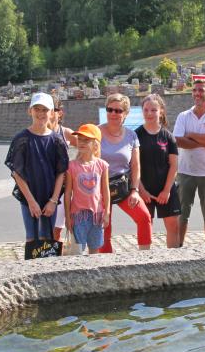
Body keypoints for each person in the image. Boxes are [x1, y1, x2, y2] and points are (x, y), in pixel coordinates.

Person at [5, 92, 70, 249]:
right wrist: (31, 201)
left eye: (45, 110)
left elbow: (61, 172)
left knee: (47, 236)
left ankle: (47, 271)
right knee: (31, 237)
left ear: (51, 113)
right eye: (37, 109)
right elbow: (17, 173)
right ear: (30, 111)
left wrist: (53, 200)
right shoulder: (22, 139)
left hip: (50, 196)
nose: (41, 113)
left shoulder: (56, 140)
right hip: (29, 196)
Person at [98, 94, 152, 252]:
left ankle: (145, 258)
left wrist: (135, 191)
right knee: (104, 227)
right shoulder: (96, 132)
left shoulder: (131, 135)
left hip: (123, 186)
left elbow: (135, 165)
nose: (113, 113)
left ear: (126, 113)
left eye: (118, 110)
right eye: (110, 109)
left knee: (144, 217)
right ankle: (105, 264)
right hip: (101, 188)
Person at [174, 79, 205, 246]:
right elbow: (179, 141)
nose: (197, 94)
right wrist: (204, 141)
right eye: (194, 90)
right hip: (186, 172)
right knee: (181, 213)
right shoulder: (183, 116)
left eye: (201, 90)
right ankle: (178, 248)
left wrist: (191, 135)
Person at [136, 94, 181, 248]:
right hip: (144, 190)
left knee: (173, 226)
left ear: (161, 111)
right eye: (146, 110)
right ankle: (146, 262)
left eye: (153, 110)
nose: (149, 113)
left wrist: (167, 190)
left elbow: (174, 165)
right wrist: (141, 190)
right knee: (145, 226)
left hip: (166, 189)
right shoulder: (135, 135)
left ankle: (173, 263)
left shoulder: (168, 136)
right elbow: (133, 167)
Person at [64, 124, 110, 254]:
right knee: (77, 251)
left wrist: (107, 213)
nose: (81, 143)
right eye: (80, 139)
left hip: (97, 215)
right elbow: (68, 193)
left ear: (95, 144)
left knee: (94, 249)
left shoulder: (102, 165)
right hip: (78, 216)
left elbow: (105, 191)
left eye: (86, 140)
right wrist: (67, 217)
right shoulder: (71, 166)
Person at [50, 95, 77, 242]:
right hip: (45, 186)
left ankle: (57, 258)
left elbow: (87, 148)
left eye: (51, 109)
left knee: (56, 229)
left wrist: (76, 168)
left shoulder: (65, 132)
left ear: (59, 112)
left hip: (62, 189)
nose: (48, 113)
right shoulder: (38, 132)